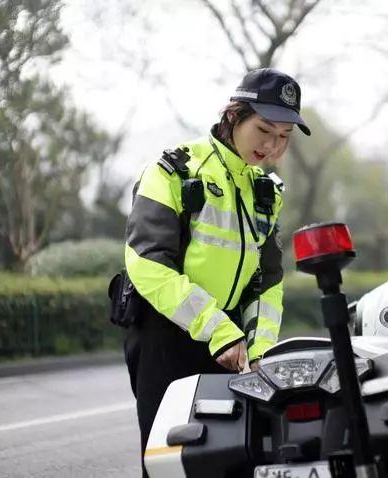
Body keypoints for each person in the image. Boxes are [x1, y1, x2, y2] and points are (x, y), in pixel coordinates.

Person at [122, 68, 310, 477]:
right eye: (264, 130)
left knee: (233, 460)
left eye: (284, 136)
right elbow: (146, 263)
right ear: (232, 116)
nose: (272, 146)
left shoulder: (265, 192)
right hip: (165, 335)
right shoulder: (174, 170)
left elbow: (268, 281)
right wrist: (217, 328)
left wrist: (260, 349)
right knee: (171, 462)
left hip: (230, 344)